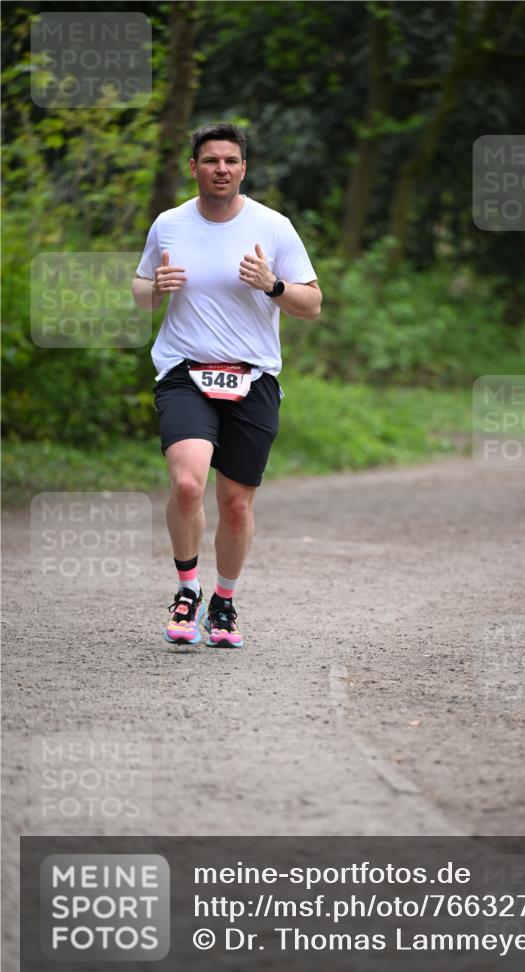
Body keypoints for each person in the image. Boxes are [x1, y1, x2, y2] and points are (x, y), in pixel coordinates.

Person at [132, 122, 321, 649]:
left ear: (243, 168)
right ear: (193, 168)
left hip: (252, 377)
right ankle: (187, 590)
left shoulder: (274, 227)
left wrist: (273, 285)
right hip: (184, 371)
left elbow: (312, 304)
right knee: (187, 484)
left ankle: (224, 603)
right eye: (211, 160)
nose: (221, 169)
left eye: (231, 161)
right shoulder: (169, 224)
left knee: (236, 504)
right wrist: (154, 289)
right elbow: (141, 290)